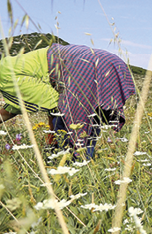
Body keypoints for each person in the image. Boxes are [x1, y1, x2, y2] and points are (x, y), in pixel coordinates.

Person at [0, 43, 136, 158]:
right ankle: (81, 160)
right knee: (92, 114)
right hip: (112, 62)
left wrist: (51, 139)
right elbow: (15, 107)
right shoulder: (15, 66)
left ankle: (71, 161)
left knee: (69, 114)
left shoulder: (7, 73)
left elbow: (52, 104)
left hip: (84, 64)